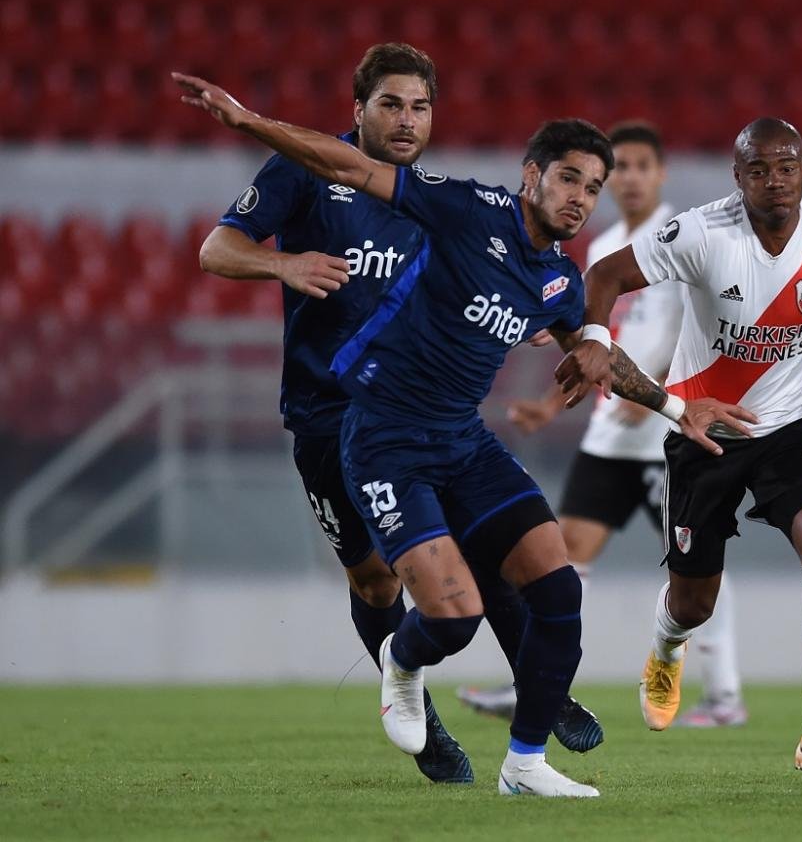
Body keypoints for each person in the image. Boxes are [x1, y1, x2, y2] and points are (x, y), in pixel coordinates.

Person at [173, 70, 755, 797]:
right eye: (568, 179)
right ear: (532, 175)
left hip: (456, 435)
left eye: (592, 187)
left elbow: (593, 349)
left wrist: (674, 406)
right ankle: (405, 672)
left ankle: (527, 751)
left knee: (547, 579)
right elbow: (329, 176)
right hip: (355, 421)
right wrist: (248, 126)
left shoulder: (555, 277)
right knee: (412, 595)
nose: (581, 196)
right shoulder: (456, 205)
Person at [193, 44, 594, 786]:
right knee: (379, 583)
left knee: (490, 550)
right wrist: (283, 263)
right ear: (358, 109)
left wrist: (539, 316)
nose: (407, 120)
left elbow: (507, 283)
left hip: (429, 415)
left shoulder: (437, 199)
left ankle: (540, 692)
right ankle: (417, 708)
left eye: (421, 107)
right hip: (328, 413)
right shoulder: (309, 169)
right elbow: (217, 248)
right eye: (391, 105)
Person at [555, 118, 802, 775]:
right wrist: (595, 341)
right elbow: (604, 276)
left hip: (790, 427)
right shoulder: (702, 232)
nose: (775, 181)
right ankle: (666, 648)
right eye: (759, 170)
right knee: (693, 601)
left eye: (786, 167)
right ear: (738, 177)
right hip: (704, 432)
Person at [458, 121, 748, 728]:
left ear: (661, 174)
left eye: (644, 166)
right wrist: (549, 400)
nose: (632, 179)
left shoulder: (684, 237)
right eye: (623, 170)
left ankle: (723, 696)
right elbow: (589, 339)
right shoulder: (604, 248)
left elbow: (704, 326)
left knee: (696, 569)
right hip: (611, 437)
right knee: (561, 557)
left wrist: (658, 387)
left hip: (667, 436)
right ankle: (536, 680)